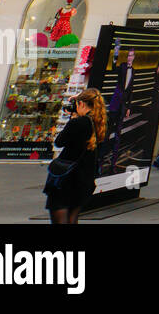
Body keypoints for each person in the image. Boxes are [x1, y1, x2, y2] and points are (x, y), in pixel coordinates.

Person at [43, 88, 106, 224]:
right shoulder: (99, 123)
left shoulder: (77, 123)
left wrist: (73, 118)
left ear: (82, 104)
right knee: (72, 218)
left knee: (60, 217)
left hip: (67, 179)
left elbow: (59, 142)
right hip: (85, 179)